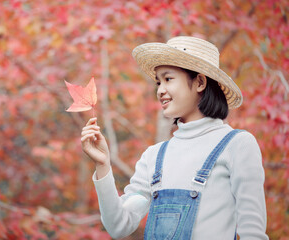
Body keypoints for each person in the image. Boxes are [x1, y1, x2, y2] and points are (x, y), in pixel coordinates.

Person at [81, 36, 268, 240]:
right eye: (158, 82)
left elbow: (253, 232)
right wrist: (103, 165)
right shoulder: (154, 157)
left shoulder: (237, 145)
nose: (160, 90)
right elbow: (119, 225)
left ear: (199, 82)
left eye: (168, 79)